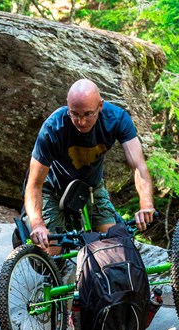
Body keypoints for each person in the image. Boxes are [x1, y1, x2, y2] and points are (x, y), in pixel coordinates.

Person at [24, 79, 155, 254]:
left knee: (114, 244)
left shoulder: (117, 119)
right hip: (52, 188)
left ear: (100, 106)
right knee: (53, 251)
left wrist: (146, 204)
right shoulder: (53, 128)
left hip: (91, 186)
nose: (81, 121)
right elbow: (34, 184)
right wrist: (38, 224)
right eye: (75, 114)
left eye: (88, 114)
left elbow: (138, 166)